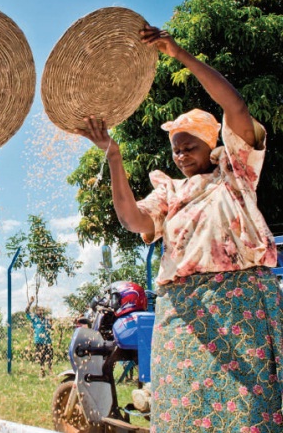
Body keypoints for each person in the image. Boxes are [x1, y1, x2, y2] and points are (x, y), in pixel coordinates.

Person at [76, 24, 282, 432]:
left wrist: (179, 54)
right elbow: (131, 219)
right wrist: (113, 156)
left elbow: (236, 107)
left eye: (190, 147)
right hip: (183, 314)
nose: (182, 156)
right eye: (176, 150)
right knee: (183, 412)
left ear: (212, 145)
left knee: (248, 410)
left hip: (238, 304)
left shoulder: (235, 173)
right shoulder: (171, 193)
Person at [25, 296, 53, 377]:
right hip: (39, 341)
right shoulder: (34, 318)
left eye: (42, 310)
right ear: (36, 311)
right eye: (39, 310)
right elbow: (26, 311)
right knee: (41, 357)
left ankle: (50, 371)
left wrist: (52, 326)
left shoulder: (46, 319)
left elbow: (51, 328)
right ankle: (42, 371)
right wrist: (31, 302)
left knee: (50, 356)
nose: (40, 311)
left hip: (48, 341)